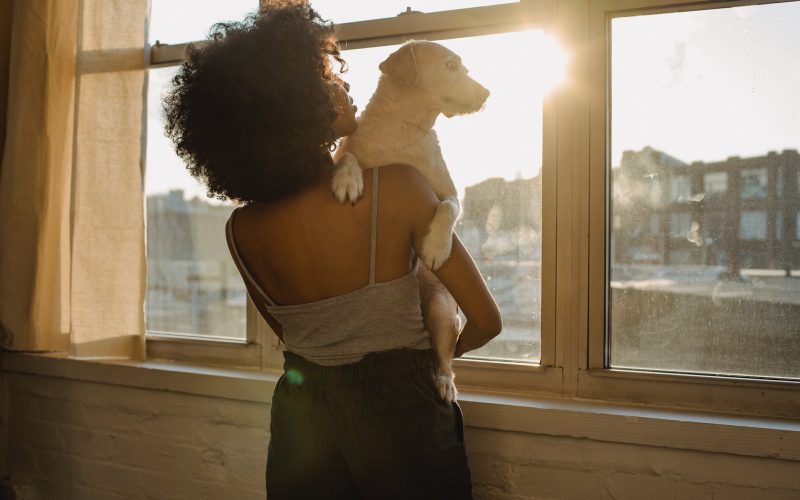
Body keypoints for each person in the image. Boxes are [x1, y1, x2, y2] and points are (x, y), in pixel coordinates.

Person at [163, 2, 502, 498]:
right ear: (293, 106)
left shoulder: (242, 230)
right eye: (327, 78)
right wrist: (427, 364)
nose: (344, 84)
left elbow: (297, 336)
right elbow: (487, 322)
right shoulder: (402, 188)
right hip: (401, 414)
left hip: (301, 417)